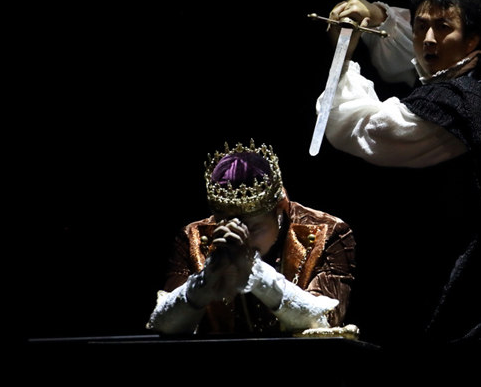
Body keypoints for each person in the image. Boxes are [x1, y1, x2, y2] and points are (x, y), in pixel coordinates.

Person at [316, 0, 481, 358]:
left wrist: (345, 56)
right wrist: (376, 14)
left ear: (472, 40)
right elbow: (416, 43)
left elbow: (360, 128)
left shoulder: (458, 106)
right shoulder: (477, 70)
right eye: (423, 27)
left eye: (444, 27)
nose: (429, 38)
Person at [146, 140, 356, 336]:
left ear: (281, 207)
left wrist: (255, 271)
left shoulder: (329, 232)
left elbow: (327, 322)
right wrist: (205, 281)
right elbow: (162, 325)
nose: (240, 239)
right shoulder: (193, 237)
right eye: (225, 225)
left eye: (253, 228)